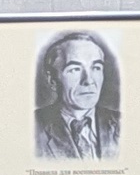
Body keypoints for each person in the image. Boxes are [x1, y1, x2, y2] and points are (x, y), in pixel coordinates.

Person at [34, 30, 121, 158]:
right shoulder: (32, 128)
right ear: (52, 80)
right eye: (75, 69)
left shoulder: (122, 123)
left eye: (96, 68)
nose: (89, 81)